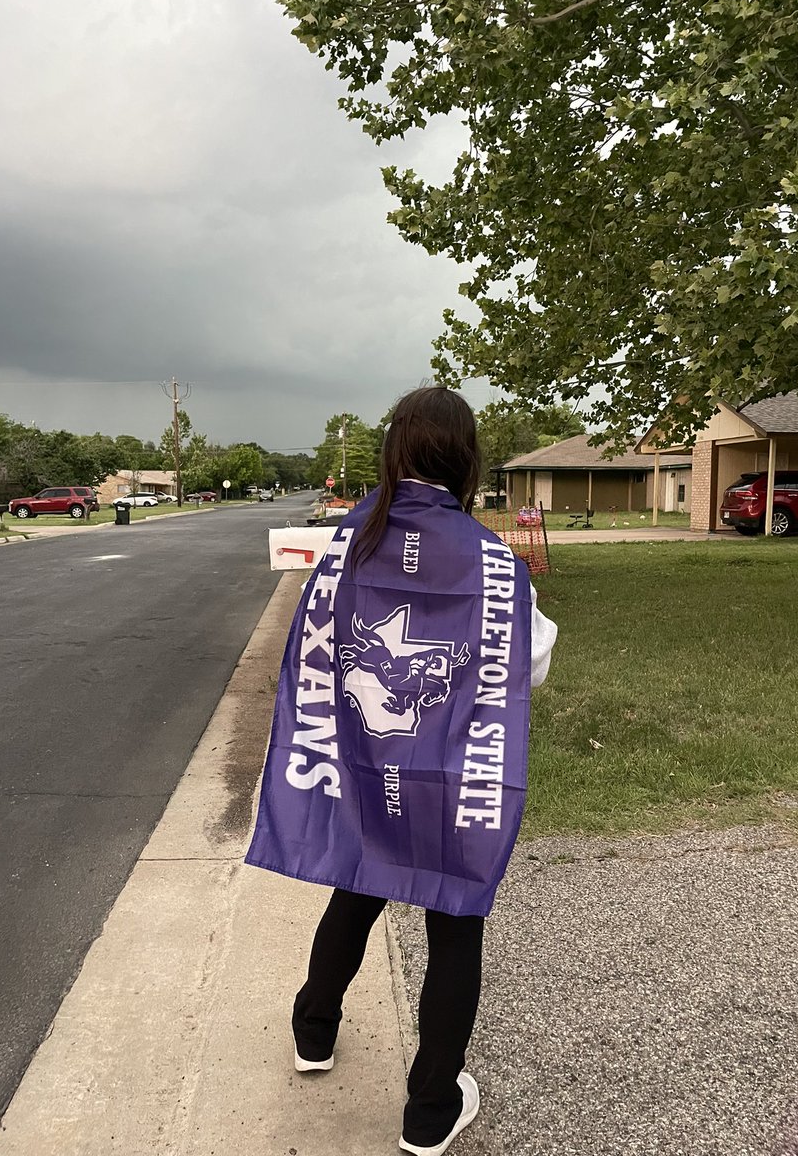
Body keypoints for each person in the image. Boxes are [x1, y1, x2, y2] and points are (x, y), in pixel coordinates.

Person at [246, 387, 557, 1156]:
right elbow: (532, 666)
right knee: (455, 922)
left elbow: (312, 659)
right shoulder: (492, 560)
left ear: (393, 452)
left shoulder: (346, 542)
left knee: (357, 888)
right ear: (465, 457)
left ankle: (313, 1033)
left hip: (364, 767)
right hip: (450, 776)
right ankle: (428, 1111)